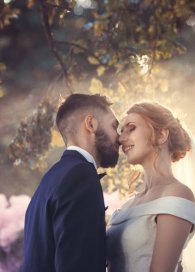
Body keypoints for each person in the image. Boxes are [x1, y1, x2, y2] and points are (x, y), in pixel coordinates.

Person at [106, 102, 195, 272]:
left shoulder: (177, 195)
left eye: (131, 128)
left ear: (162, 135)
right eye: (121, 131)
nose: (121, 138)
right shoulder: (128, 204)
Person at [21, 93, 120, 272]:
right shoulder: (80, 176)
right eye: (114, 126)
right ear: (91, 124)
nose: (119, 138)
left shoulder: (51, 178)